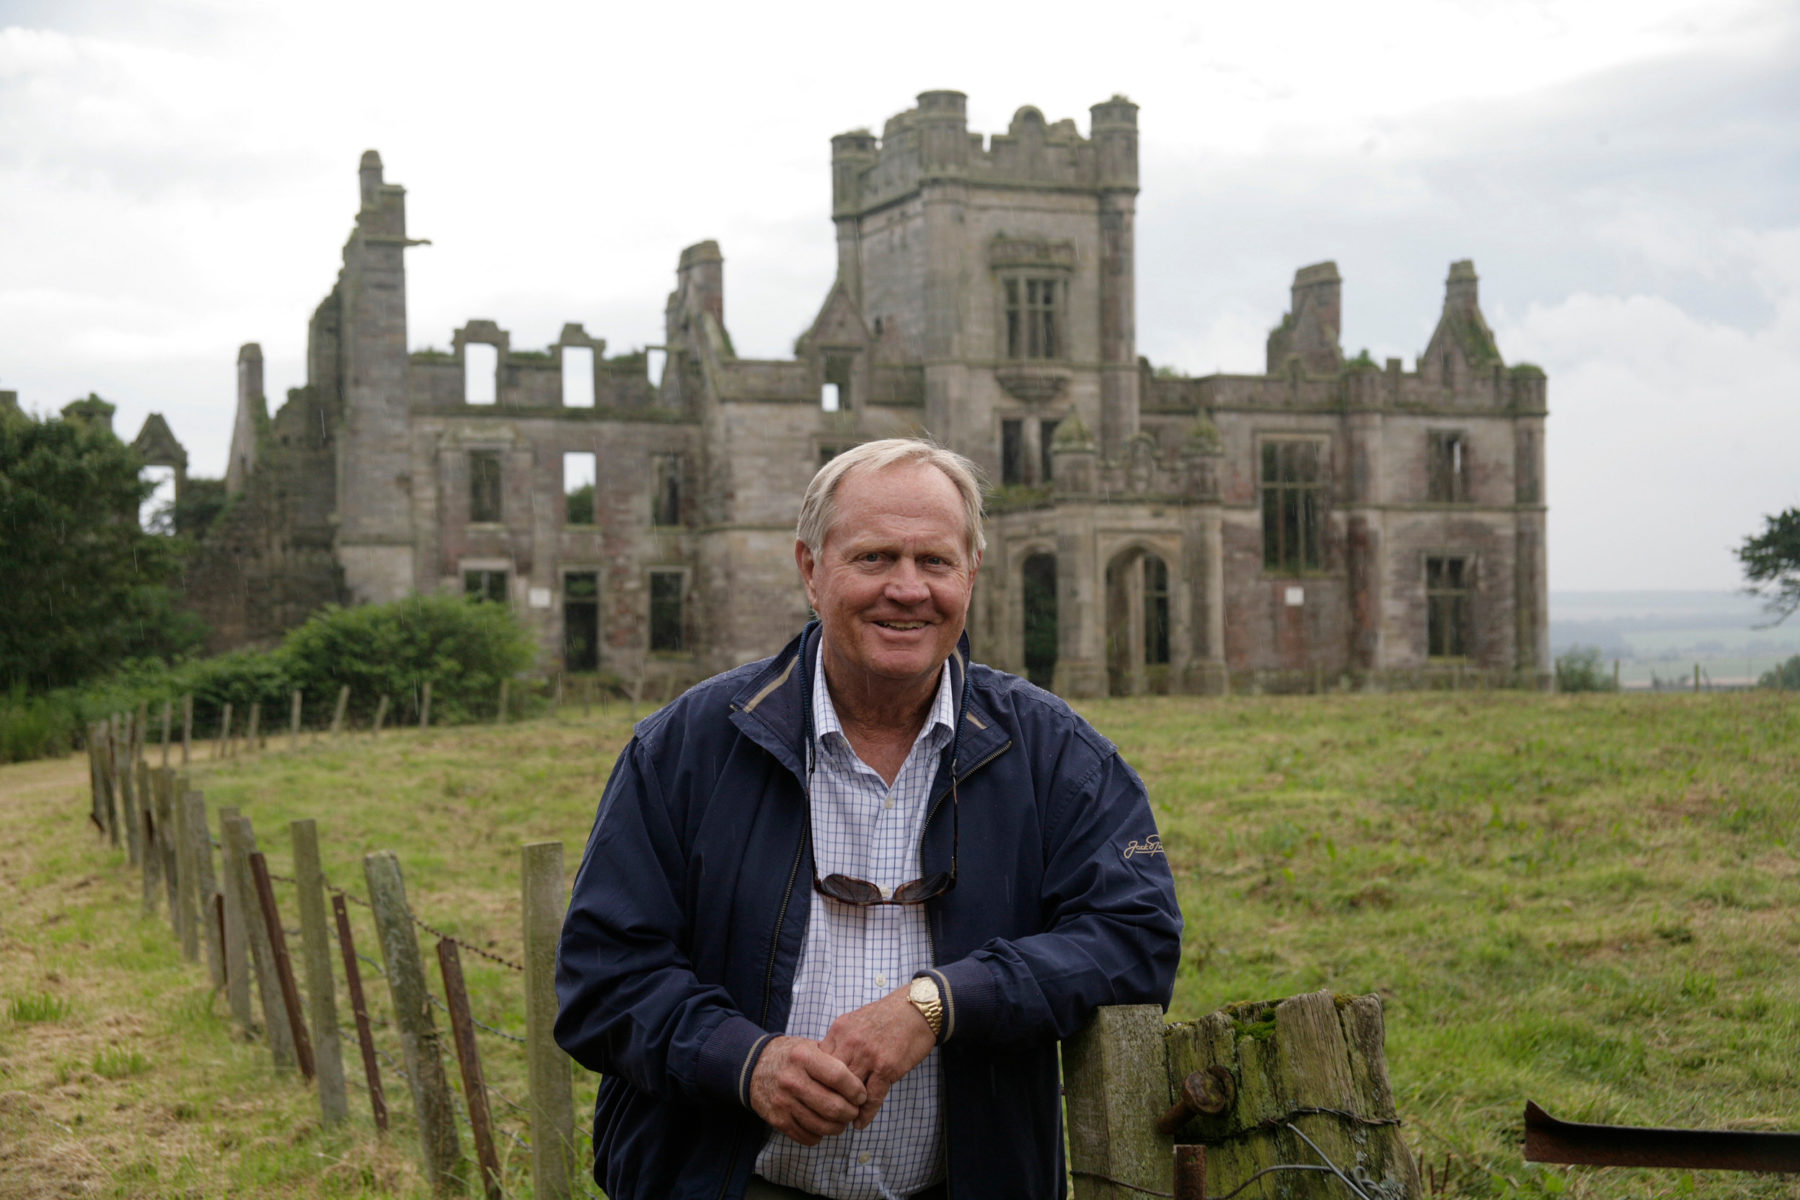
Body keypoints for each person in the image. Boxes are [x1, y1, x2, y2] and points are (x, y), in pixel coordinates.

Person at [555, 438, 1182, 1200]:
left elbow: (1137, 938)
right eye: (875, 557)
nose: (908, 589)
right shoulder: (685, 749)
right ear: (811, 570)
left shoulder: (1059, 758)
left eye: (936, 562)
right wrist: (745, 1063)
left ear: (972, 573)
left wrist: (942, 1002)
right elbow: (603, 979)